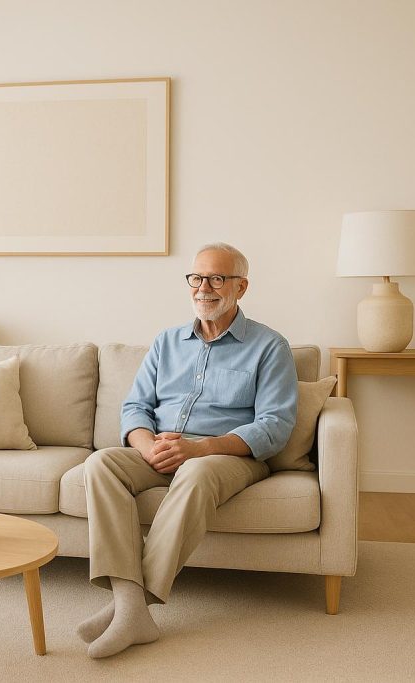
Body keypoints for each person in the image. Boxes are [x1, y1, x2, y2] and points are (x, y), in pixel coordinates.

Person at [79, 242, 298, 658]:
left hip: (228, 457)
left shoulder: (270, 346)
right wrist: (146, 447)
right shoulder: (166, 342)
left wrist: (199, 450)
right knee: (102, 463)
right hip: (163, 450)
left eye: (217, 278)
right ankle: (130, 608)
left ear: (241, 287)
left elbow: (275, 426)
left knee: (196, 473)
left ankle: (132, 609)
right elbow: (135, 407)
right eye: (196, 278)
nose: (204, 288)